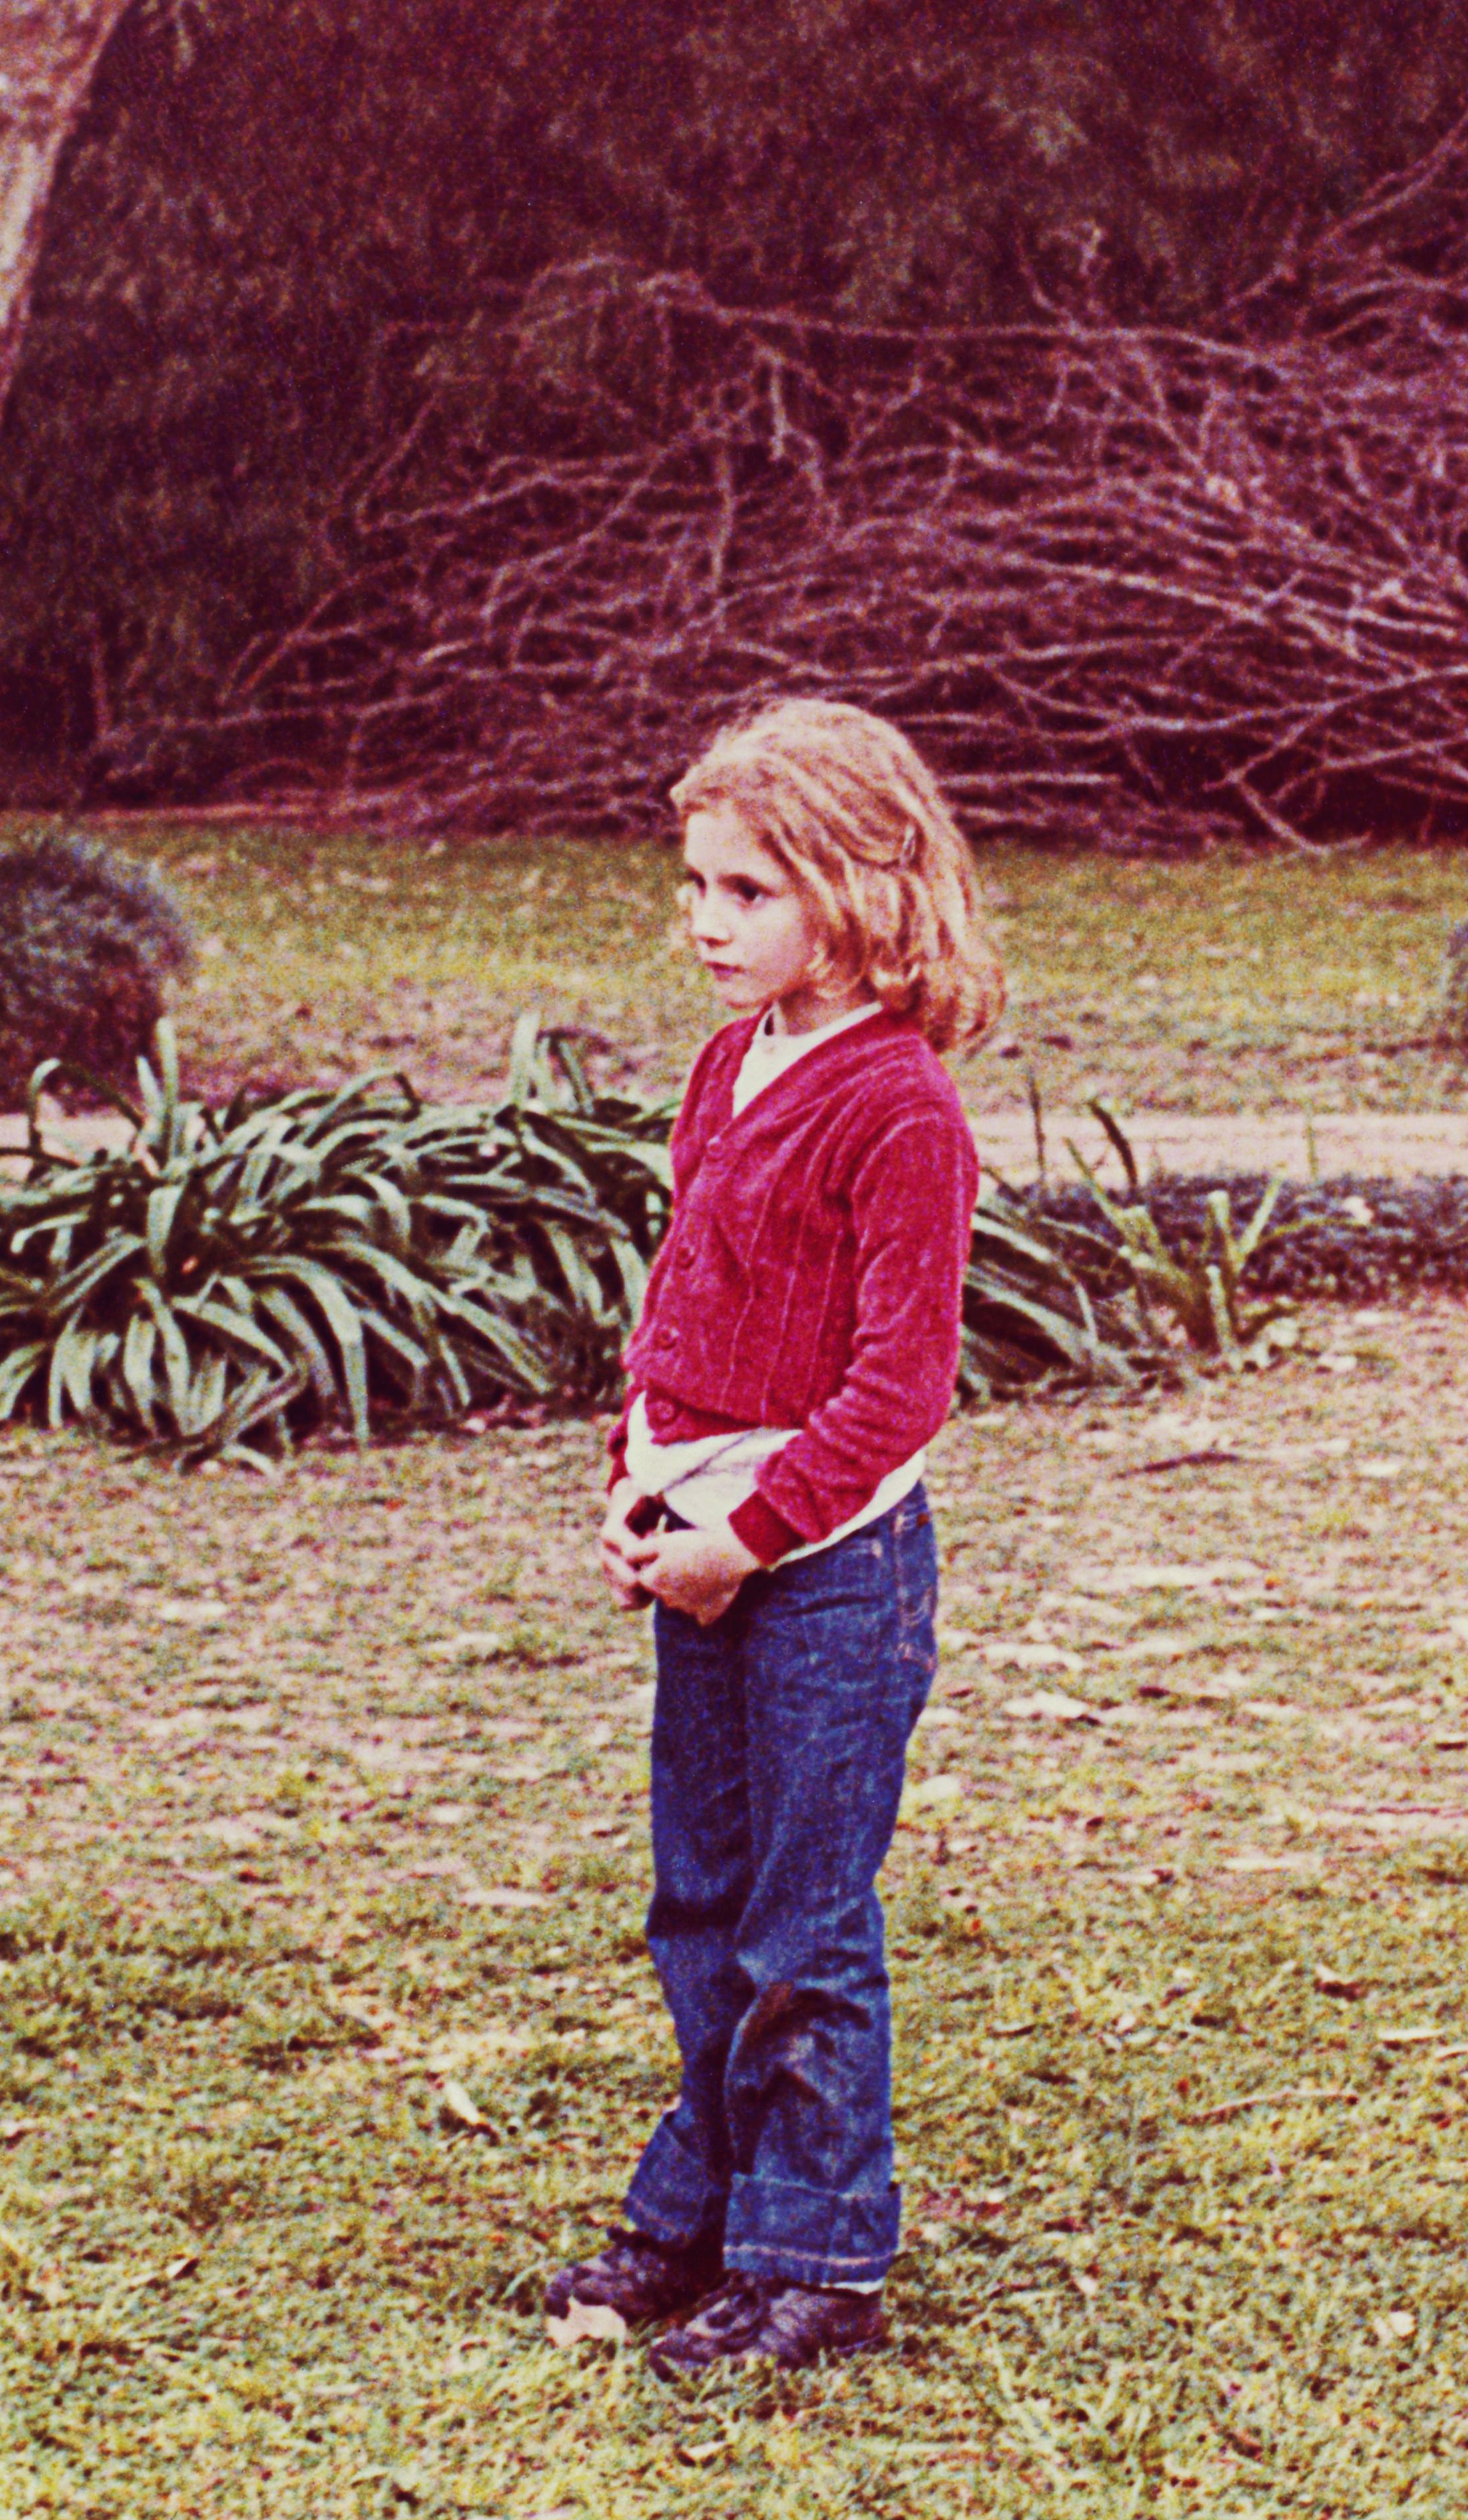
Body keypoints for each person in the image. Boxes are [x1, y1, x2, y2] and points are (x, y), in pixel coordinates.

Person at [542, 699, 997, 2379]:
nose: (704, 922)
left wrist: (751, 1530)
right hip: (706, 1539)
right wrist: (638, 1478)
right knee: (701, 1894)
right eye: (697, 886)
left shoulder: (900, 1111)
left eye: (746, 891)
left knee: (806, 1915)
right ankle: (708, 2205)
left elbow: (899, 1388)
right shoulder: (731, 1068)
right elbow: (691, 1298)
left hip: (827, 1570)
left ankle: (818, 2256)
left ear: (865, 891)